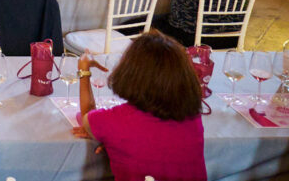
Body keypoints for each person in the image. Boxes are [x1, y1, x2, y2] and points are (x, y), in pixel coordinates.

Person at [73, 31, 205, 181]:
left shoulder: (115, 120)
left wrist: (84, 71)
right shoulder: (193, 117)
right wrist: (114, 140)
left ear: (131, 74)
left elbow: (87, 119)